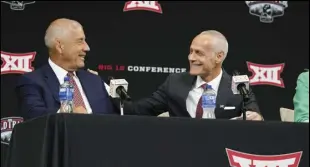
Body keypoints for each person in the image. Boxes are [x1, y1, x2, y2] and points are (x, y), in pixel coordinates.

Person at [119, 30, 263, 120]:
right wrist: (103, 89)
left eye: (199, 53)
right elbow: (140, 110)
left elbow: (254, 116)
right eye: (191, 51)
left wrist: (256, 118)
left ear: (219, 57)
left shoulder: (239, 88)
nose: (191, 58)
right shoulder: (175, 82)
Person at [16, 18, 117, 120]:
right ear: (60, 46)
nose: (87, 48)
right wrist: (65, 115)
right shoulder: (32, 82)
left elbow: (114, 118)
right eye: (80, 41)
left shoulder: (95, 80)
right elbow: (34, 117)